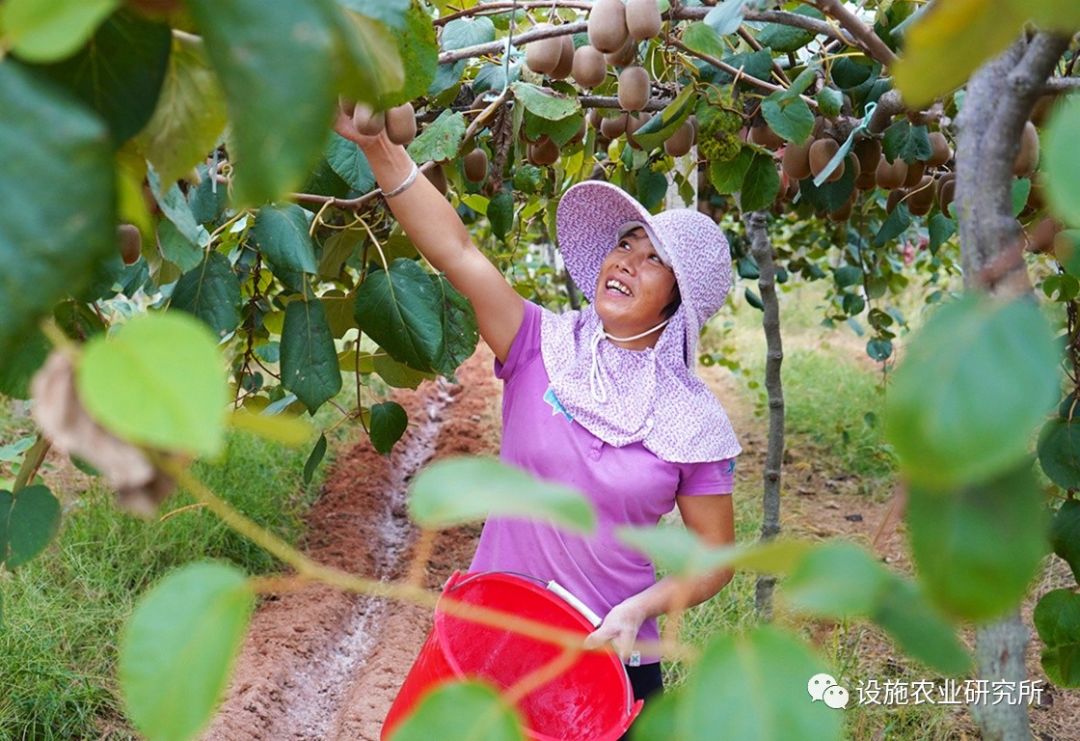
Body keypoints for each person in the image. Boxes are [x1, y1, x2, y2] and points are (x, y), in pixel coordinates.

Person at [334, 105, 741, 726]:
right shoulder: (541, 347)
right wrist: (378, 150)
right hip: (493, 639)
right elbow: (459, 253)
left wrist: (639, 609)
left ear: (678, 302)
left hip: (606, 663)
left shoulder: (694, 422)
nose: (626, 261)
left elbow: (713, 557)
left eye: (652, 258)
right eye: (623, 244)